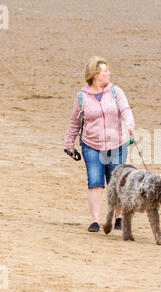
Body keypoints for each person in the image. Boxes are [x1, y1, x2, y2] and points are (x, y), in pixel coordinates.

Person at [65, 56, 135, 232]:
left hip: (116, 145)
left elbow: (125, 110)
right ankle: (95, 221)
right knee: (95, 182)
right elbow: (75, 122)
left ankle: (118, 218)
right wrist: (69, 144)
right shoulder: (82, 96)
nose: (109, 73)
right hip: (91, 145)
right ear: (96, 75)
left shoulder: (115, 92)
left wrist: (130, 124)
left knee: (117, 182)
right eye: (105, 71)